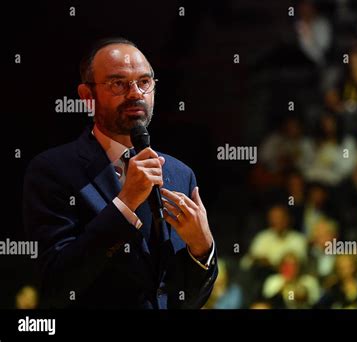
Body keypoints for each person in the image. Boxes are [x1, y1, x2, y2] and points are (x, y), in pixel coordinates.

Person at [23, 37, 218, 309]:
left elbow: (186, 300)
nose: (136, 92)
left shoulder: (180, 174)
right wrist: (125, 204)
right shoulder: (52, 171)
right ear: (87, 96)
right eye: (118, 83)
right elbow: (55, 285)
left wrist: (202, 249)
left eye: (144, 82)